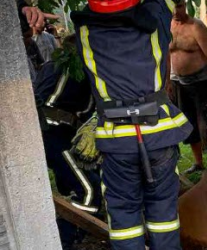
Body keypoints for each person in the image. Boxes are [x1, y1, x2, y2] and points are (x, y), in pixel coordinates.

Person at [71, 0, 192, 249]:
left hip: (117, 142)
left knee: (124, 217)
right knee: (164, 214)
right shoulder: (156, 18)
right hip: (159, 136)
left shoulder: (84, 32)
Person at [33, 34, 101, 250]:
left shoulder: (52, 64)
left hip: (48, 132)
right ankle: (63, 239)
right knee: (89, 191)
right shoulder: (75, 67)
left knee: (72, 182)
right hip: (54, 133)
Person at [170, 1, 207, 173]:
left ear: (185, 5)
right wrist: (166, 82)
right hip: (178, 82)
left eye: (180, 6)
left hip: (201, 83)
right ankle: (198, 163)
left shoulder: (196, 27)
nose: (177, 11)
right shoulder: (166, 25)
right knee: (187, 125)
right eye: (174, 7)